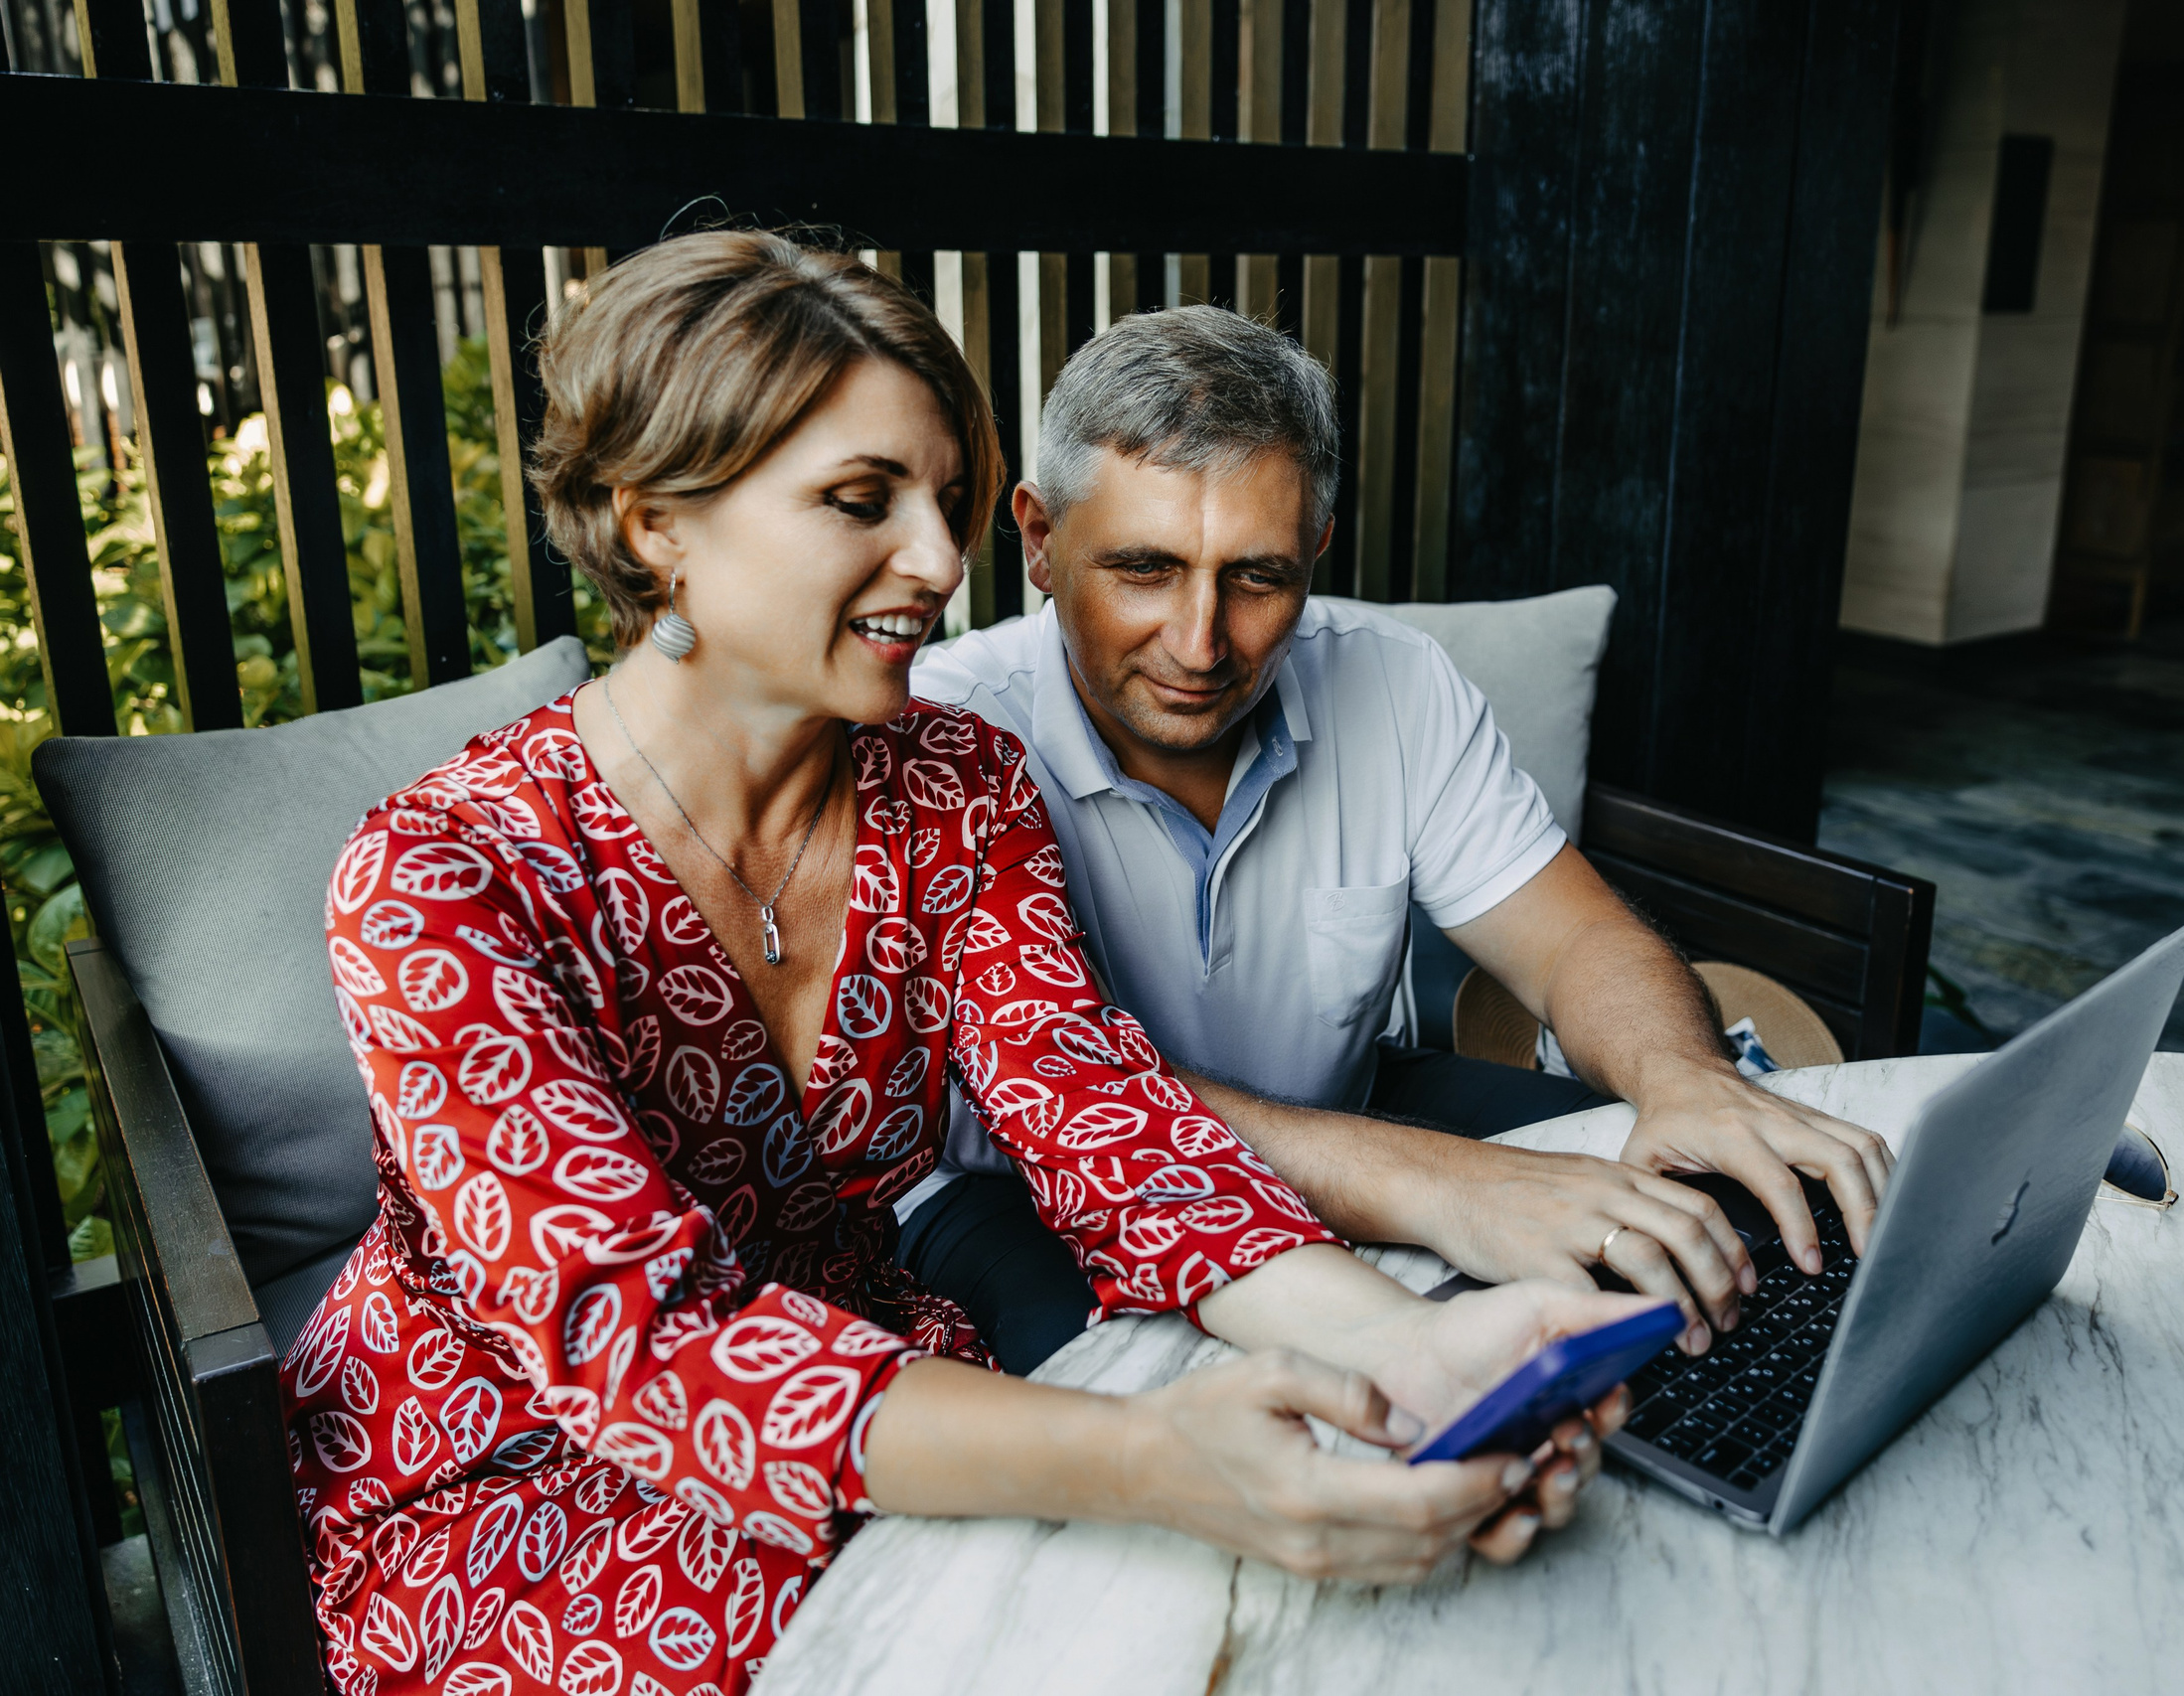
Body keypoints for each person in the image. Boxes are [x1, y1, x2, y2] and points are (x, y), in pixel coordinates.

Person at [280, 232, 1657, 1696]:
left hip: (883, 1367)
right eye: (860, 500)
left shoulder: (953, 783)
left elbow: (1105, 1122)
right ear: (655, 521)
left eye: (944, 502)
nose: (941, 563)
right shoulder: (443, 873)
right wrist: (1153, 1459)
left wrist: (1412, 1352)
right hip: (524, 1468)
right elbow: (635, 1340)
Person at [906, 306, 1898, 1375]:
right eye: (1144, 569)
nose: (1198, 645)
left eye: (1258, 577)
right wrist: (1445, 1187)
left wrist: (1684, 1073)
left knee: (1706, 1203)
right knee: (1193, 1403)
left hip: (1350, 1105)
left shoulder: (1394, 678)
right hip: (1014, 1191)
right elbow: (1065, 1097)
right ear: (1039, 538)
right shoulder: (943, 735)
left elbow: (1572, 942)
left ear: (1317, 548)